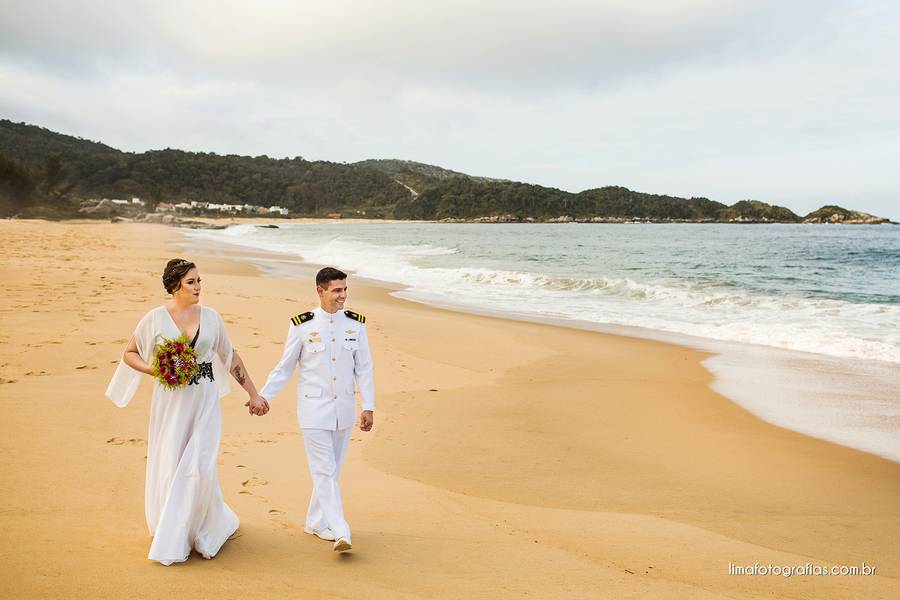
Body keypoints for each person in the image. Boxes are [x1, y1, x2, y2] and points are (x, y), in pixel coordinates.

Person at [106, 258, 270, 565]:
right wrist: (154, 369)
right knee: (171, 462)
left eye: (199, 281)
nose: (198, 287)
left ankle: (199, 528)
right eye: (191, 282)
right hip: (171, 403)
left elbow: (229, 356)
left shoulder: (211, 317)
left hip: (204, 399)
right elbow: (129, 353)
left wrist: (253, 393)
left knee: (199, 462)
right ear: (174, 287)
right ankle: (175, 527)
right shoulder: (154, 319)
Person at [256, 267, 375, 553]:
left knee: (332, 472)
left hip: (344, 409)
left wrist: (368, 406)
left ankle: (314, 521)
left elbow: (365, 368)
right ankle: (340, 529)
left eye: (344, 289)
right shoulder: (302, 325)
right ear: (319, 291)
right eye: (336, 290)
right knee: (323, 471)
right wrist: (263, 396)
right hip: (313, 409)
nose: (342, 296)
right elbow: (285, 368)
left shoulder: (356, 324)